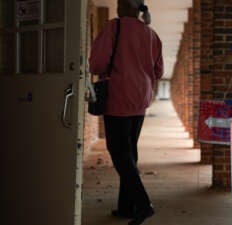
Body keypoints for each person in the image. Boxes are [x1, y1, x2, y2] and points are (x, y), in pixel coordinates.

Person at [89, 0, 163, 224]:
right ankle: (126, 206)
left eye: (120, 3)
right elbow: (158, 71)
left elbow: (97, 65)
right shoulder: (152, 35)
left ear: (126, 7)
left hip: (119, 97)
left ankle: (142, 204)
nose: (118, 7)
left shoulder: (114, 26)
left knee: (119, 152)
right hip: (141, 99)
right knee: (130, 152)